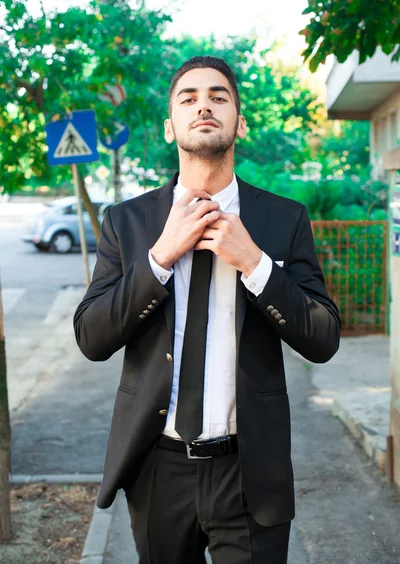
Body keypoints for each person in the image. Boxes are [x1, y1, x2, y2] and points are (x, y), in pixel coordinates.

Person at [73, 56, 341, 564]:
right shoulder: (127, 223)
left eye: (219, 97)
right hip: (157, 468)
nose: (204, 107)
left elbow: (323, 338)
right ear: (170, 125)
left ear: (239, 121)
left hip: (250, 470)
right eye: (189, 98)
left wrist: (258, 265)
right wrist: (159, 257)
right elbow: (91, 337)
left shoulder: (282, 219)